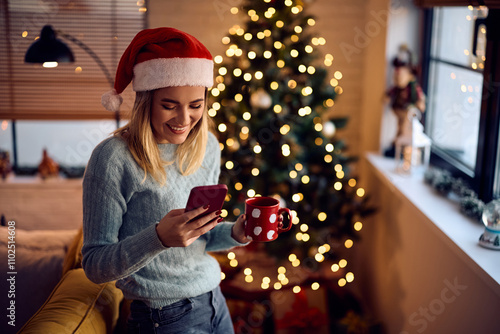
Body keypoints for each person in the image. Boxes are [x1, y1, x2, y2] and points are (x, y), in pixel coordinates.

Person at [81, 27, 249, 334]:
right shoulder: (113, 158)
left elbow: (202, 237)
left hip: (215, 303)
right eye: (169, 105)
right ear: (146, 101)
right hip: (161, 317)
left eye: (196, 105)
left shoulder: (207, 145)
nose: (184, 119)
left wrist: (240, 230)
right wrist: (157, 238)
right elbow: (94, 265)